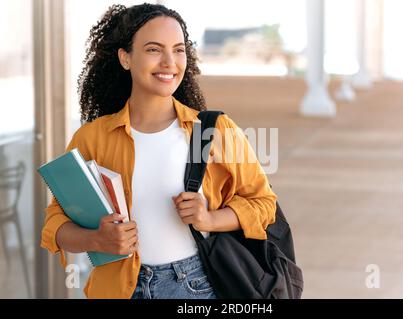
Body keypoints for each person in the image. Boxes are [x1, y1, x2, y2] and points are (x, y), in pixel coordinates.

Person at [41, 3, 277, 299]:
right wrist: (96, 239)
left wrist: (209, 219)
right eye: (154, 50)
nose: (170, 62)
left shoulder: (215, 131)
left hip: (196, 287)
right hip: (117, 289)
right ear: (125, 58)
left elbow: (264, 204)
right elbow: (55, 222)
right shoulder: (92, 138)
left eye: (178, 50)